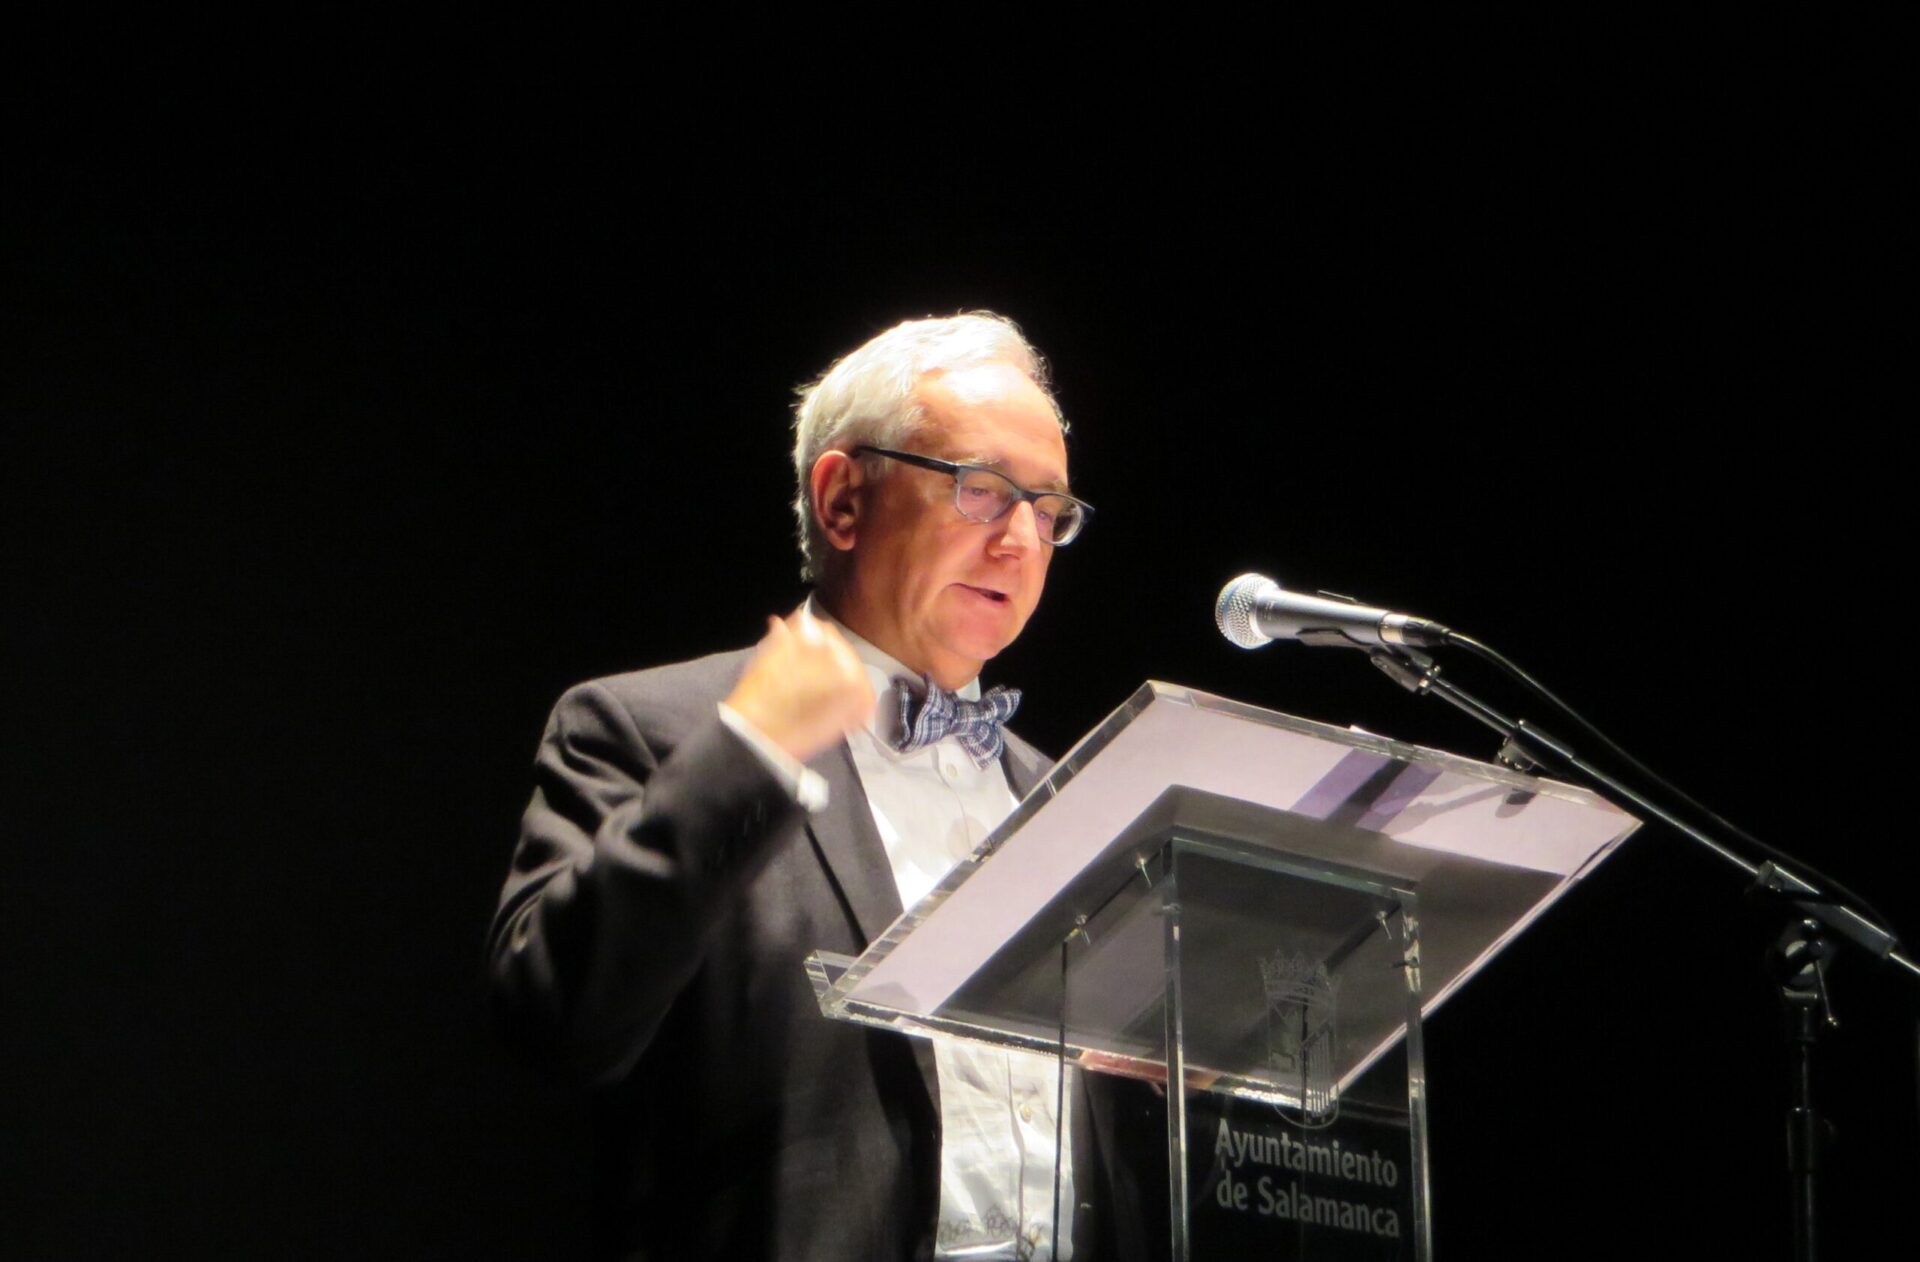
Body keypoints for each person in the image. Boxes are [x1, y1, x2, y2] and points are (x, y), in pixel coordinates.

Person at [488, 313, 1116, 1261]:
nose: (1023, 542)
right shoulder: (657, 732)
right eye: (983, 492)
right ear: (842, 500)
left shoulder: (1073, 800)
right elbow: (557, 1022)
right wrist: (751, 749)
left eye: (1049, 511)